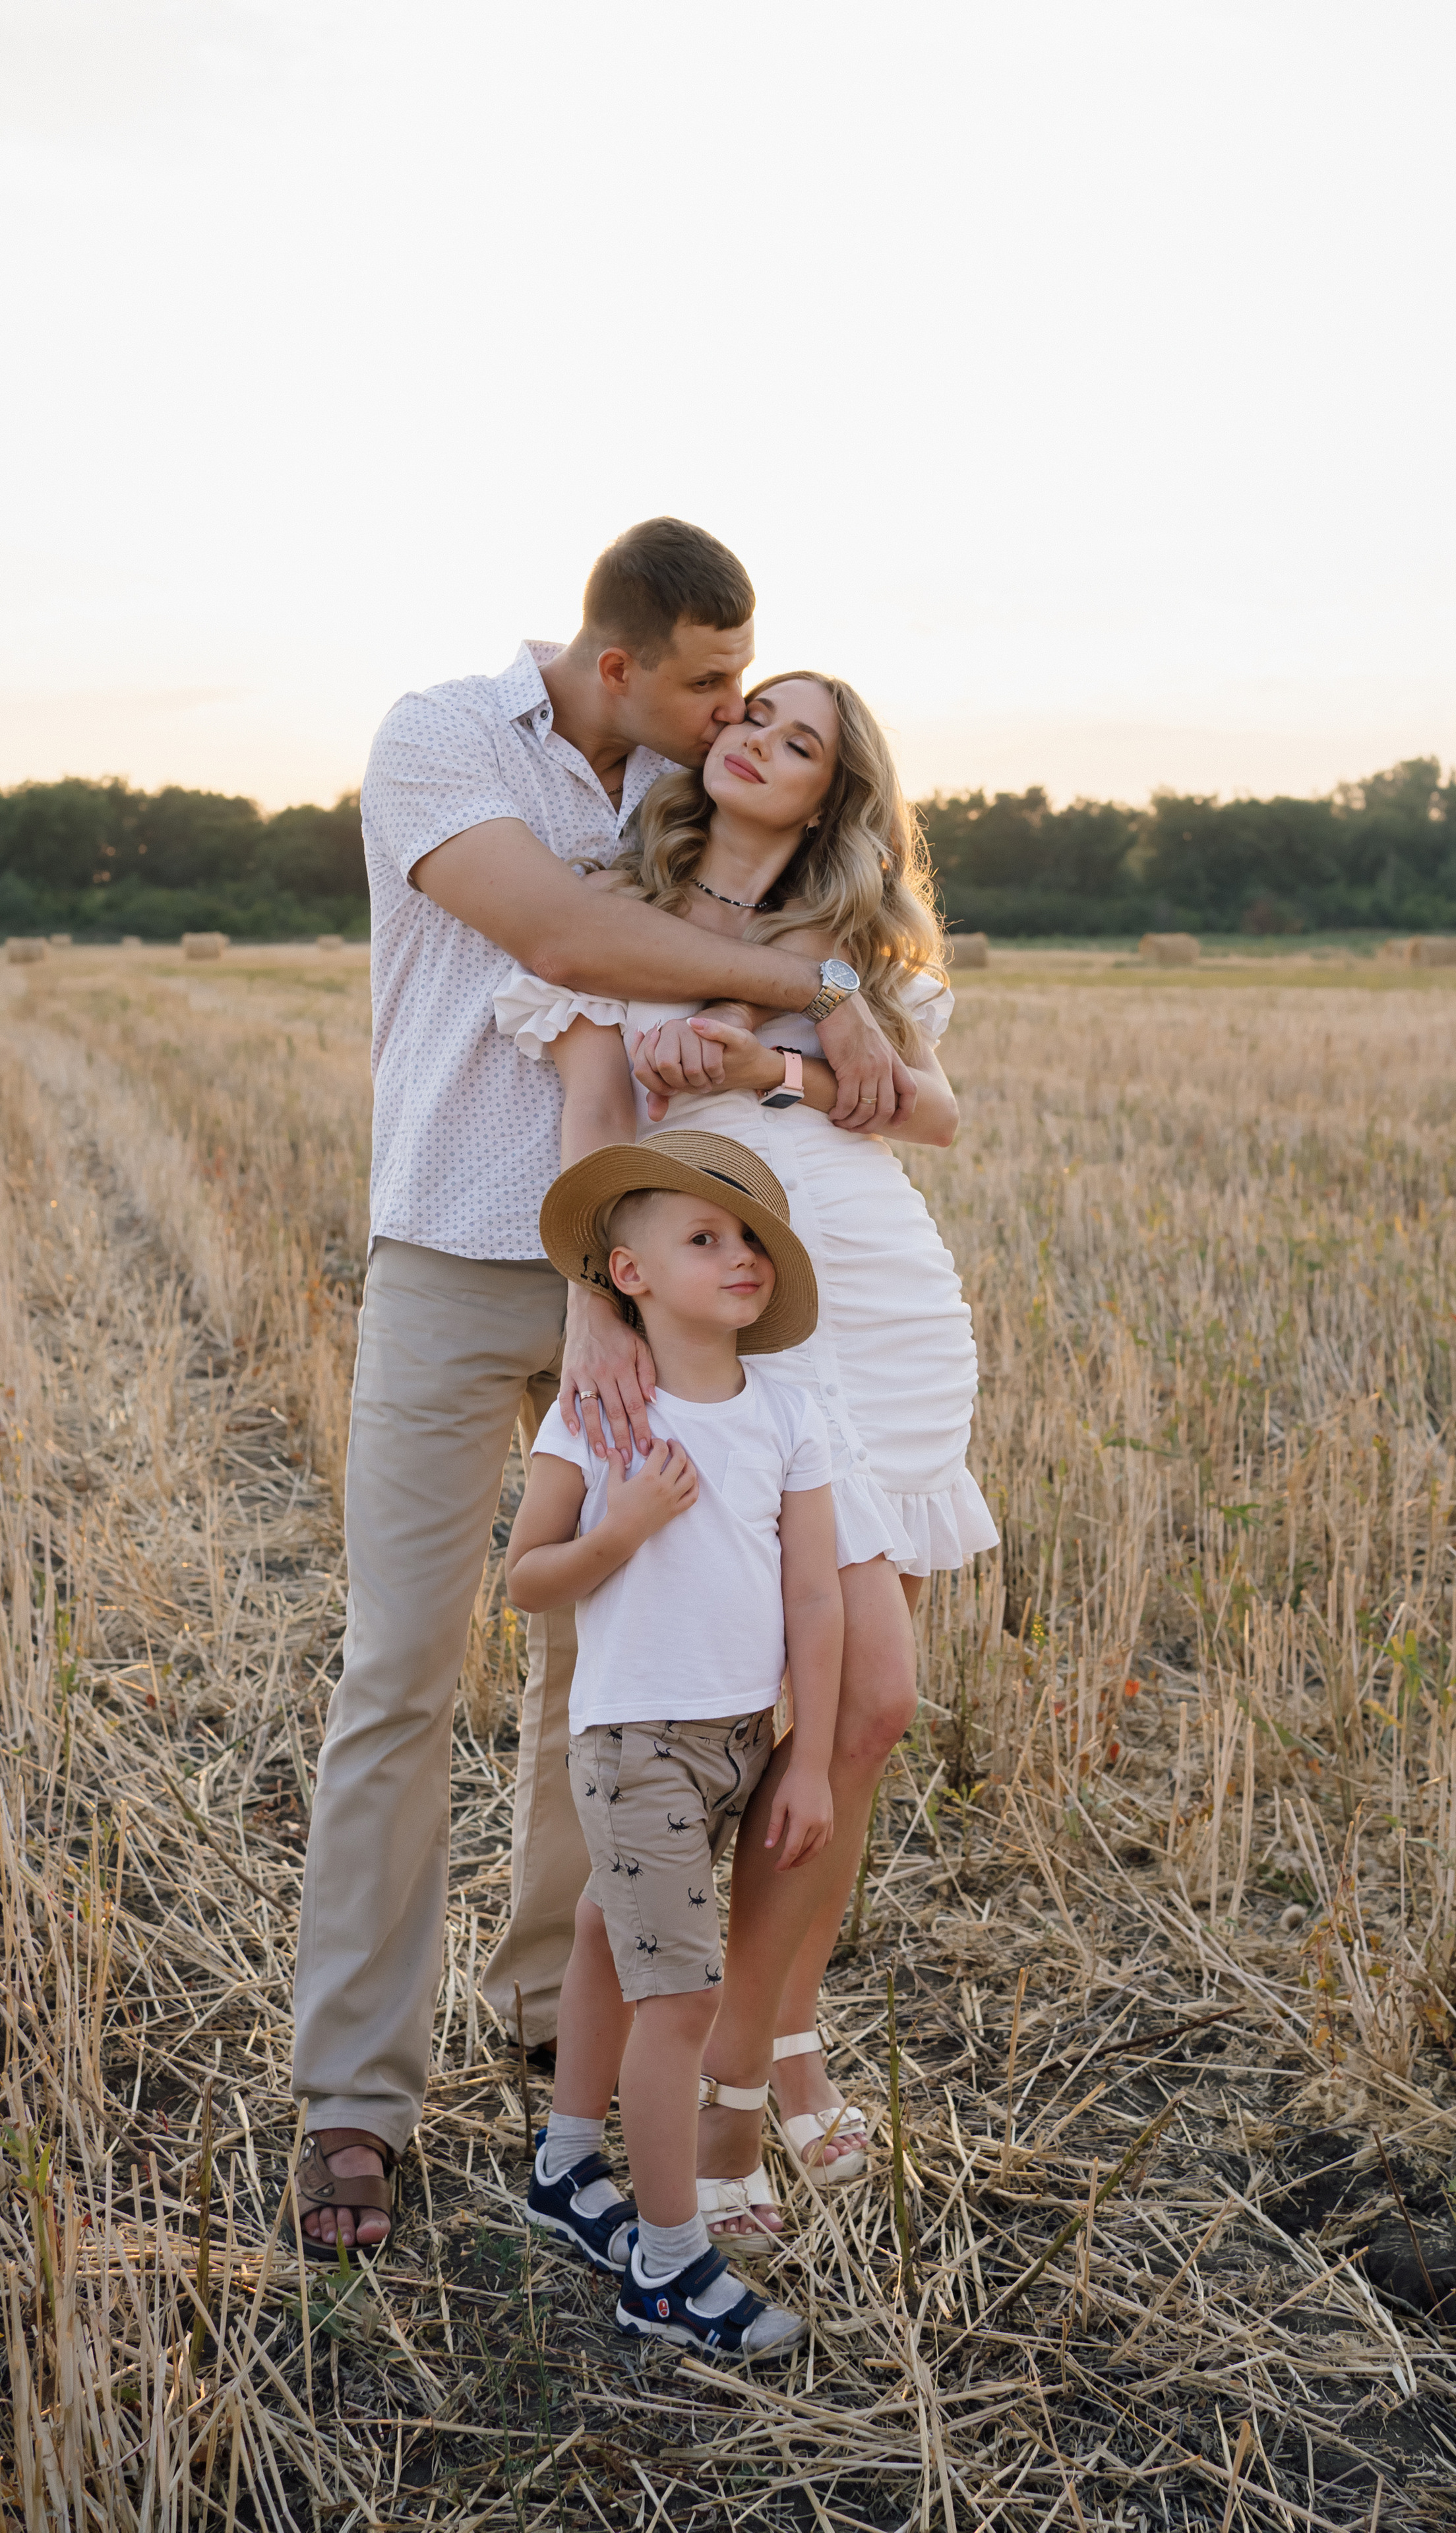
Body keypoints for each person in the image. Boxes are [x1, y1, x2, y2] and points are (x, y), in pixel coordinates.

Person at [289, 520, 915, 2257]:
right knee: (403, 1666)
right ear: (622, 662)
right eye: (714, 679)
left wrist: (834, 1008)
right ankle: (355, 2095)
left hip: (644, 1290)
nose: (734, 712)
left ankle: (558, 2023)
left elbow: (803, 957)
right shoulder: (443, 741)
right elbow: (560, 937)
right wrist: (826, 987)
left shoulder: (687, 815)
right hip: (443, 1262)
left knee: (618, 1685)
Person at [492, 669, 997, 2246]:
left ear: (834, 794)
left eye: (799, 739)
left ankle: (780, 2050)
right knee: (785, 1708)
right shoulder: (612, 914)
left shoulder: (841, 951)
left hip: (878, 1293)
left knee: (851, 1727)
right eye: (748, 717)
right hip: (740, 1326)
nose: (755, 740)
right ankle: (716, 2081)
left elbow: (929, 1120)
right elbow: (590, 1121)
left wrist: (772, 1062)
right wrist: (601, 1305)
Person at [506, 1128, 840, 2358]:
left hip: (746, 1738)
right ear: (629, 1276)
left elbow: (815, 1597)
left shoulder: (791, 1413)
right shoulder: (599, 1419)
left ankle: (567, 2157)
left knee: (609, 1929)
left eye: (751, 1237)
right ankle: (666, 2260)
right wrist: (625, 1524)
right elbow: (528, 1581)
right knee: (682, 1995)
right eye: (704, 1237)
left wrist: (806, 1757)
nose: (739, 1256)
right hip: (638, 1741)